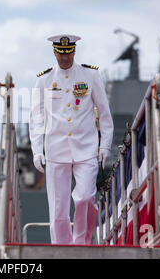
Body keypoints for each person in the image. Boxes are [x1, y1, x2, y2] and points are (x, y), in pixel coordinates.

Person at [29, 34, 113, 245]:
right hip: (56, 150)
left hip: (86, 148)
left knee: (85, 197)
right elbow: (36, 119)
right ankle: (61, 247)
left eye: (68, 53)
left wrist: (105, 145)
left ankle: (81, 243)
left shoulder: (90, 75)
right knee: (58, 206)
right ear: (55, 52)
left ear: (74, 51)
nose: (65, 58)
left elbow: (104, 113)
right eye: (60, 53)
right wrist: (37, 150)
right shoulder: (44, 79)